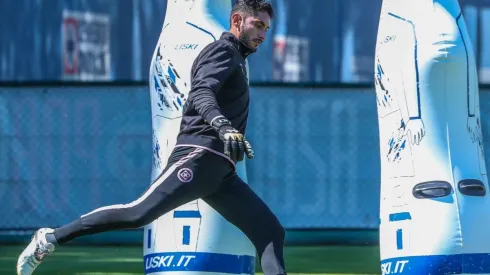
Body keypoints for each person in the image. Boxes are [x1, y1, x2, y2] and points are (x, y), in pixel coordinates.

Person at [16, 1, 287, 275]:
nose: (263, 34)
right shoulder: (222, 51)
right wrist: (223, 126)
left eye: (266, 27)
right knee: (137, 213)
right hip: (197, 158)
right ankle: (49, 239)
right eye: (258, 25)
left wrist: (230, 132)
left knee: (270, 231)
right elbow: (200, 94)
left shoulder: (238, 59)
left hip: (221, 174)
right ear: (238, 20)